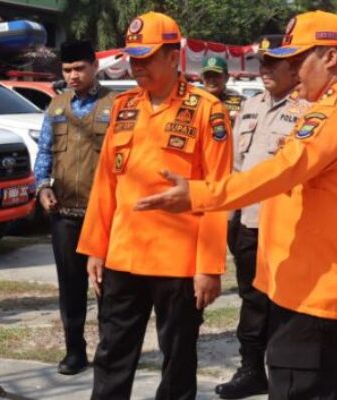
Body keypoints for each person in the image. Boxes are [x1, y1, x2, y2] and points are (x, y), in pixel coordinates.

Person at [135, 11, 337, 398]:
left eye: (300, 61)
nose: (295, 71)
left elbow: (283, 171)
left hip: (314, 289)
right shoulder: (327, 108)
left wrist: (200, 195)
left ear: (330, 57)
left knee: (297, 385)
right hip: (301, 282)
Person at [76, 11, 233, 399]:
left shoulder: (206, 111)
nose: (137, 65)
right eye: (133, 57)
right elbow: (105, 183)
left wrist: (209, 267)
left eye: (146, 57)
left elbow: (218, 192)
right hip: (123, 258)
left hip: (178, 264)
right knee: (112, 354)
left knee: (178, 360)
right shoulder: (124, 107)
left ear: (172, 55)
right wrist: (96, 248)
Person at [214, 39, 308, 400]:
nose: (263, 70)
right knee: (252, 301)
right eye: (261, 63)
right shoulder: (250, 106)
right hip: (248, 223)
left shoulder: (307, 111)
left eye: (272, 64)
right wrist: (231, 216)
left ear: (294, 68)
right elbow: (236, 168)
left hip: (286, 226)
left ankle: (287, 373)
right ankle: (252, 370)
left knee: (284, 302)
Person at [33, 40, 117, 375]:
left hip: (106, 216)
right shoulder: (55, 107)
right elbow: (43, 152)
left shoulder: (116, 105)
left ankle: (110, 352)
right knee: (70, 288)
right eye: (67, 70)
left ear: (95, 66)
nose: (73, 75)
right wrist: (41, 187)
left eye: (79, 68)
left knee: (108, 290)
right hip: (65, 216)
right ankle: (74, 352)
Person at [200, 55, 243, 123]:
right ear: (202, 78)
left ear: (227, 77)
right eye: (207, 76)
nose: (212, 80)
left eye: (216, 75)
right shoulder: (196, 98)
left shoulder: (234, 98)